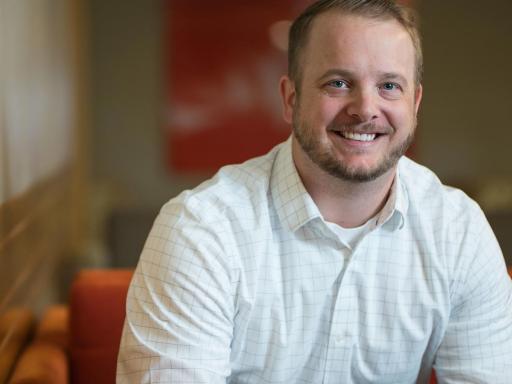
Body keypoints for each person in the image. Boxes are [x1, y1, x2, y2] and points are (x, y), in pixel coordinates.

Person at [116, 0, 512, 382]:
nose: (365, 108)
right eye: (338, 83)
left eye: (389, 86)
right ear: (291, 99)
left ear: (415, 102)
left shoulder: (459, 232)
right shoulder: (201, 230)